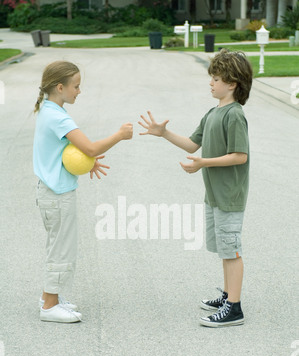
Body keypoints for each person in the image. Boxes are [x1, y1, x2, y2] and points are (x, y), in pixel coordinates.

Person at [139, 49, 253, 328]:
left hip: (229, 196)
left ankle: (234, 309)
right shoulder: (213, 112)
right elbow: (192, 145)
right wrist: (164, 133)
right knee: (223, 249)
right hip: (214, 195)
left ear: (232, 83)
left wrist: (204, 163)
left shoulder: (234, 115)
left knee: (231, 250)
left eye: (216, 78)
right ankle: (228, 296)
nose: (211, 83)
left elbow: (240, 156)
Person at [34, 60, 133, 323]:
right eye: (76, 86)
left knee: (58, 245)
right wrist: (120, 135)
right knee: (61, 248)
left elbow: (67, 152)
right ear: (60, 87)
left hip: (52, 192)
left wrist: (88, 162)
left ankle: (50, 298)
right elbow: (88, 147)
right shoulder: (57, 116)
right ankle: (49, 307)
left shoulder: (49, 110)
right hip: (56, 195)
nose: (79, 91)